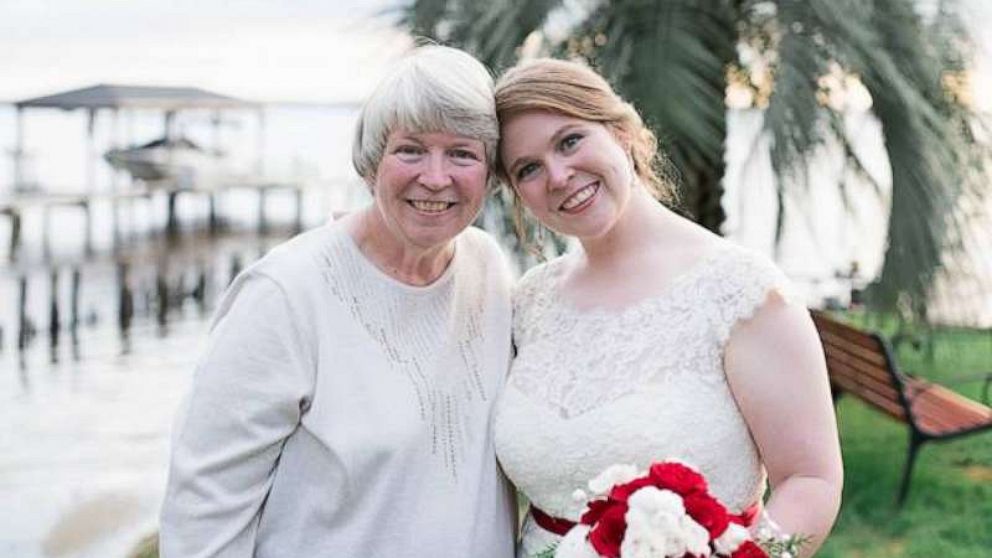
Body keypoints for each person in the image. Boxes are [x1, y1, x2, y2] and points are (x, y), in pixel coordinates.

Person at [159, 45, 517, 558]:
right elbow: (203, 516)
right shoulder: (285, 294)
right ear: (371, 163)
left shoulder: (488, 268)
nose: (435, 178)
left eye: (462, 153)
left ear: (489, 174)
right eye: (410, 149)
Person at [492, 59, 843, 558]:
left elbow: (810, 480)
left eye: (570, 141)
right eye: (527, 168)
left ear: (621, 132)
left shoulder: (742, 292)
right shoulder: (530, 301)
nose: (558, 175)